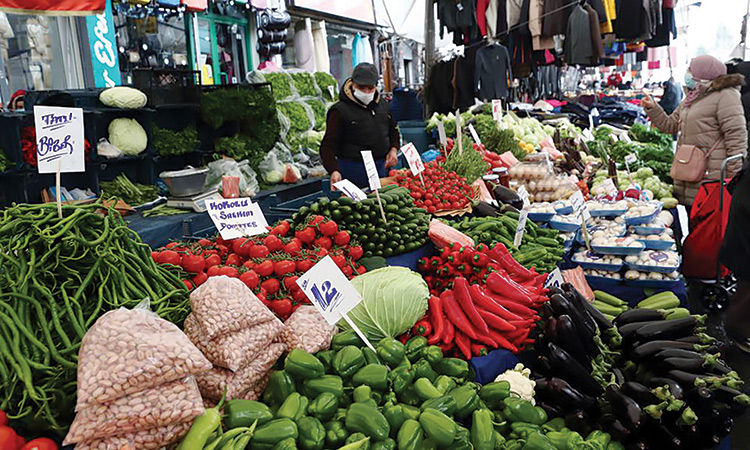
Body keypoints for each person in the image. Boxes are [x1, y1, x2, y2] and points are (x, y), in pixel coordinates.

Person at [641, 55, 747, 207]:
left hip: (711, 178)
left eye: (691, 69)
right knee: (694, 225)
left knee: (709, 227)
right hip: (689, 175)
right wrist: (653, 107)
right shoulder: (691, 98)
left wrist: (732, 179)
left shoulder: (726, 95)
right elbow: (669, 125)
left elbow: (736, 137)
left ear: (704, 72)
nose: (688, 73)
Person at [320, 63, 399, 189]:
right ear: (352, 84)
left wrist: (394, 149)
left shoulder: (383, 105)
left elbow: (393, 130)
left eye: (370, 88)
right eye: (361, 87)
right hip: (352, 170)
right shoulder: (339, 111)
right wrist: (334, 170)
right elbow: (327, 146)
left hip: (381, 168)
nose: (366, 92)